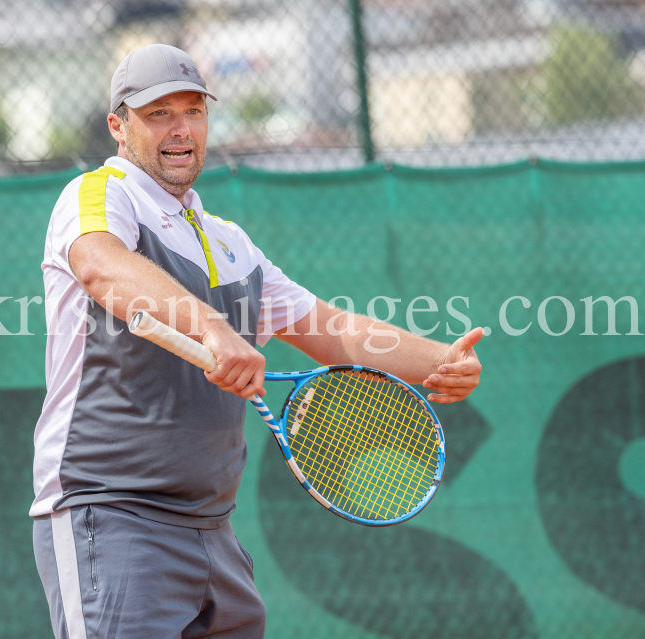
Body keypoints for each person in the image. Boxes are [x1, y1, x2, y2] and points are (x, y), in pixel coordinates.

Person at [31, 44, 484, 639]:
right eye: (158, 114)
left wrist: (439, 363)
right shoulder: (99, 195)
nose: (180, 129)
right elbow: (100, 267)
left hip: (212, 532)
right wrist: (214, 328)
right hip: (113, 518)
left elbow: (333, 330)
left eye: (192, 111)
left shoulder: (229, 243)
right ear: (119, 126)